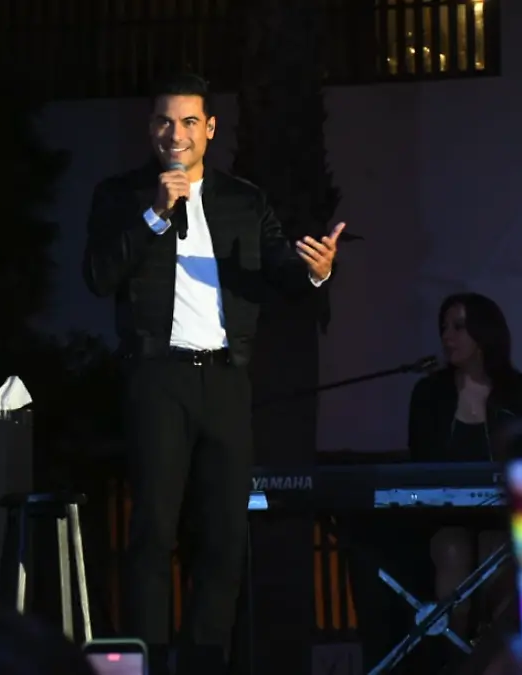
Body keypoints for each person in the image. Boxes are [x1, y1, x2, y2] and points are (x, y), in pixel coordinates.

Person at [82, 72, 345, 675]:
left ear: (210, 129)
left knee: (225, 538)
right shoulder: (121, 196)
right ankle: (146, 664)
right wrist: (155, 215)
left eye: (189, 122)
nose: (175, 134)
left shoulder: (243, 200)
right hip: (157, 378)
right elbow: (98, 276)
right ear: (151, 128)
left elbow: (279, 272)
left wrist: (317, 271)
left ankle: (204, 664)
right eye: (164, 121)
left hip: (226, 380)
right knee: (153, 533)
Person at [408, 292, 522, 637]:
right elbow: (420, 463)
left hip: (503, 514)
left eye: (458, 327)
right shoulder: (429, 393)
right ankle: (455, 653)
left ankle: (494, 654)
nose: (447, 337)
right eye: (443, 328)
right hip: (443, 515)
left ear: (485, 334)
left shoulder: (520, 391)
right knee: (453, 548)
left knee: (494, 551)